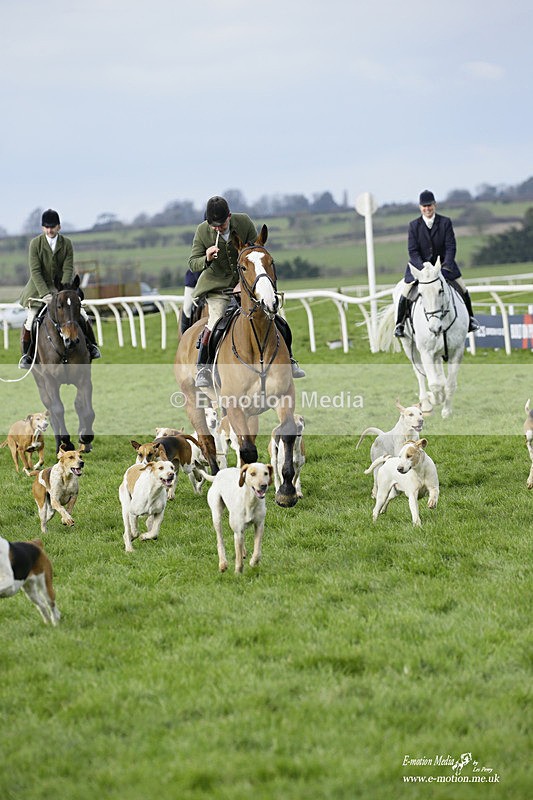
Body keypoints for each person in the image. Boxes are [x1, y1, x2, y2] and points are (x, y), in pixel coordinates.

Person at [188, 196, 305, 388]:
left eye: (221, 224)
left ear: (230, 216)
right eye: (214, 225)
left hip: (245, 284)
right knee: (215, 321)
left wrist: (244, 285)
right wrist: (207, 258)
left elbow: (255, 251)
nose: (218, 228)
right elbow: (193, 263)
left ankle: (289, 360)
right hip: (217, 288)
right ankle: (204, 368)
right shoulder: (202, 231)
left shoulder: (243, 222)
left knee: (274, 318)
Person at [18, 209, 101, 368]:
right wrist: (45, 294)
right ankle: (26, 356)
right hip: (38, 289)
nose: (49, 230)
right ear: (43, 228)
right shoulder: (35, 244)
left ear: (59, 227)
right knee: (31, 320)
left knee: (82, 315)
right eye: (46, 227)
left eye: (53, 227)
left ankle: (92, 346)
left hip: (62, 288)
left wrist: (62, 290)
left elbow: (68, 268)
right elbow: (35, 271)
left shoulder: (67, 243)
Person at [394, 190, 480, 337]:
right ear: (420, 207)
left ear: (435, 205)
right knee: (405, 292)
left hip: (444, 266)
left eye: (430, 205)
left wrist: (446, 265)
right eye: (424, 206)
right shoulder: (414, 225)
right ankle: (400, 324)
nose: (427, 209)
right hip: (420, 268)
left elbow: (450, 247)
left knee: (463, 288)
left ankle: (471, 319)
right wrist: (423, 269)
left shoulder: (445, 222)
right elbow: (413, 251)